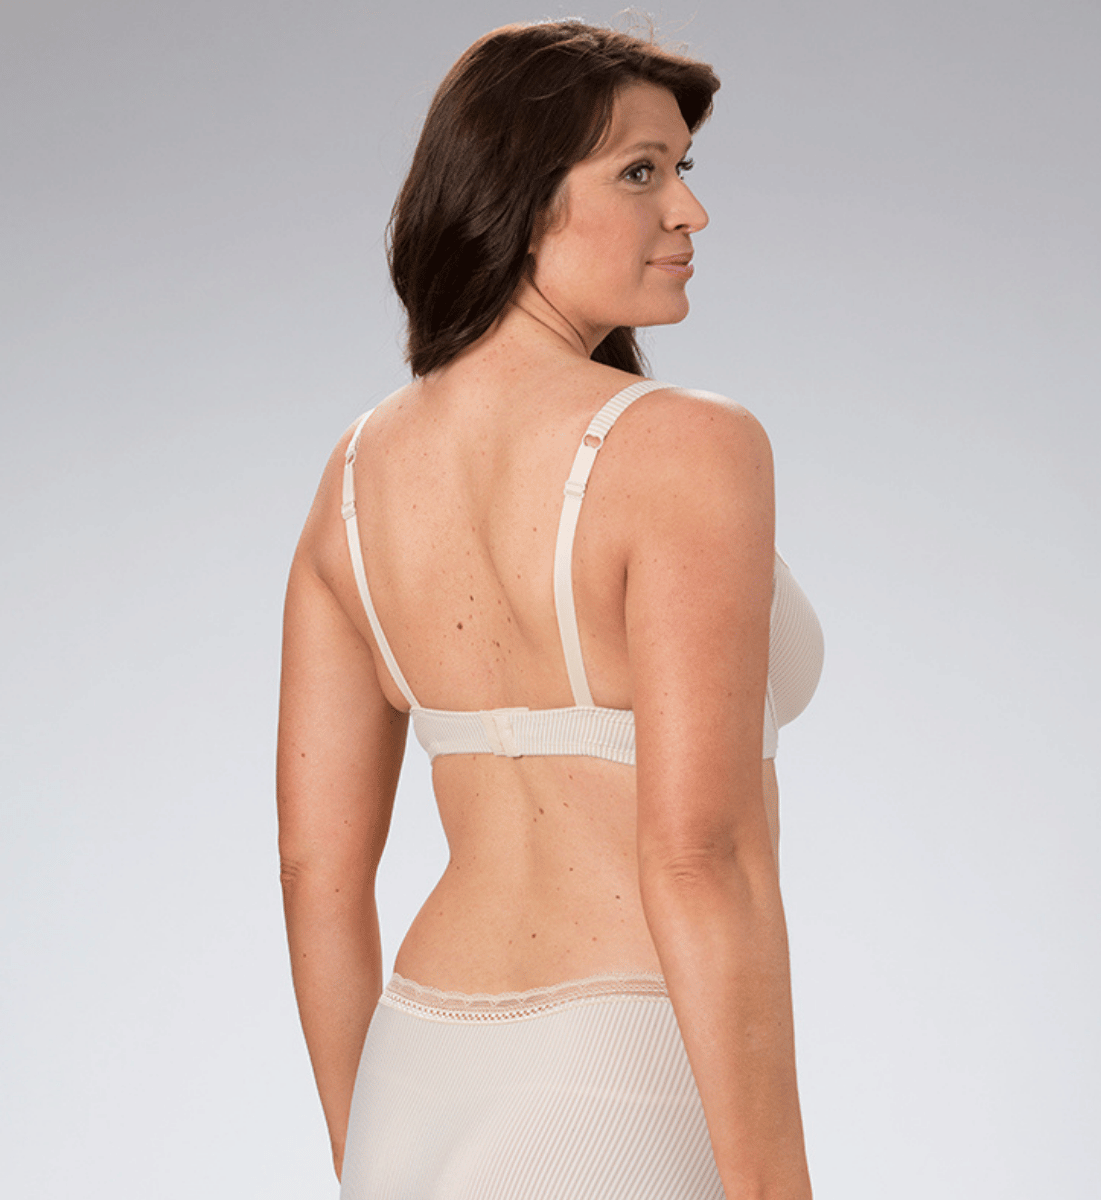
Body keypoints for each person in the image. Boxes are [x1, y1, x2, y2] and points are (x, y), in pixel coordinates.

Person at [277, 19, 823, 1200]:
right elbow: (702, 854)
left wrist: (367, 1152)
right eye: (640, 172)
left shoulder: (356, 477)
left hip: (412, 1072)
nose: (689, 211)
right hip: (620, 1073)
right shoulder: (686, 446)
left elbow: (316, 866)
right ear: (520, 200)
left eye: (683, 168)